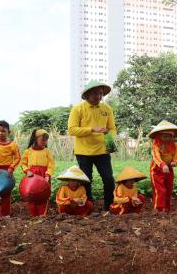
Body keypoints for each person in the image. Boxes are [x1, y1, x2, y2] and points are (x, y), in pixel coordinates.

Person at [67, 80, 117, 211]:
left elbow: (112, 129)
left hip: (102, 150)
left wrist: (109, 136)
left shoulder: (107, 109)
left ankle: (109, 205)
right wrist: (91, 129)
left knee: (108, 178)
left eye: (101, 93)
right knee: (86, 180)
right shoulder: (78, 109)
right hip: (83, 151)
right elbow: (71, 130)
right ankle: (88, 205)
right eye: (96, 93)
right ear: (88, 94)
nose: (99, 96)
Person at [148, 120, 177, 212]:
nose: (167, 138)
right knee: (160, 190)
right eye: (165, 135)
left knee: (169, 189)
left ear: (172, 136)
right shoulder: (156, 145)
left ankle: (167, 210)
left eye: (169, 136)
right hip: (157, 170)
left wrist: (175, 162)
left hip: (169, 169)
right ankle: (158, 210)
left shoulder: (174, 145)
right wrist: (162, 164)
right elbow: (156, 156)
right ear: (159, 135)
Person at [20, 129, 55, 216]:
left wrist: (48, 174)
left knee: (43, 195)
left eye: (46, 140)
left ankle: (42, 215)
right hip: (32, 177)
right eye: (42, 139)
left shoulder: (47, 151)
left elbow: (51, 164)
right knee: (31, 195)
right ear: (35, 139)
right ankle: (34, 215)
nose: (45, 142)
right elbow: (23, 163)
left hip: (44, 176)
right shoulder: (28, 151)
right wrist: (27, 171)